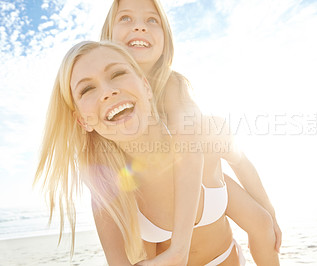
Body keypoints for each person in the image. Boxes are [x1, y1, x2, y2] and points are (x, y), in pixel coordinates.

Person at [101, 0, 281, 265]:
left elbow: (234, 158)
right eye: (126, 18)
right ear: (108, 34)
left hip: (226, 250)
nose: (139, 26)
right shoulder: (105, 107)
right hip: (158, 232)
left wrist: (270, 212)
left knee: (263, 224)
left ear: (166, 38)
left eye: (152, 20)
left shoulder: (175, 87)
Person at [34, 40, 245, 265]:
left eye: (117, 73)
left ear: (146, 86)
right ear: (83, 120)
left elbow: (255, 209)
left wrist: (268, 211)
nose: (108, 91)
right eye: (87, 89)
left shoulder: (197, 142)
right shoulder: (108, 190)